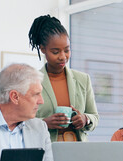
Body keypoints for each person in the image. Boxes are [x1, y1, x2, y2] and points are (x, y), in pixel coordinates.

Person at [29, 14, 99, 142]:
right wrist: (45, 123)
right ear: (43, 49)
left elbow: (94, 116)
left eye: (67, 50)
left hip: (78, 150)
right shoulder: (31, 81)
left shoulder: (83, 79)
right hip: (46, 150)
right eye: (55, 52)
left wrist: (85, 119)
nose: (63, 57)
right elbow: (21, 122)